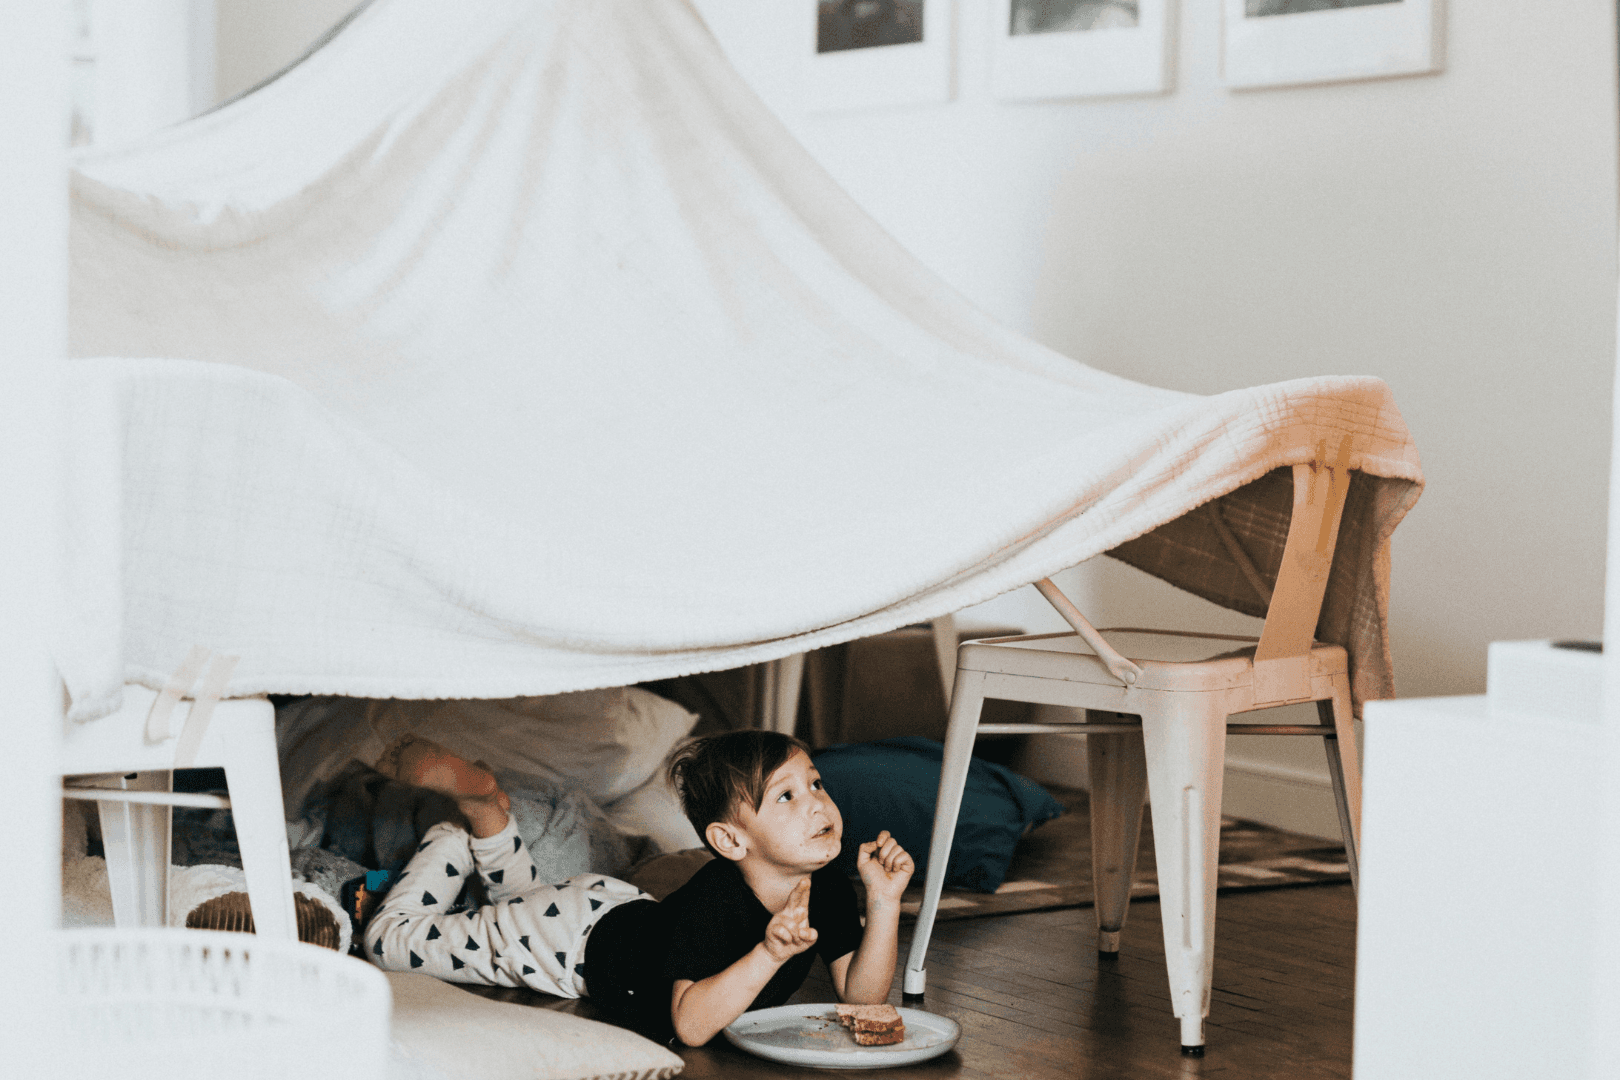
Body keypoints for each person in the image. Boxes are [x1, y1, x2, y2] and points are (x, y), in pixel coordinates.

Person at [362, 730, 914, 1046]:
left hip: (619, 911)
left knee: (514, 907)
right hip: (571, 943)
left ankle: (488, 816)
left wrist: (884, 902)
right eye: (787, 796)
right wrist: (770, 953)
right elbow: (691, 1027)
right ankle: (456, 837)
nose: (818, 801)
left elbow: (863, 1000)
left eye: (816, 783)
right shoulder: (714, 900)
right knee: (387, 942)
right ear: (729, 839)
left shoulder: (831, 887)